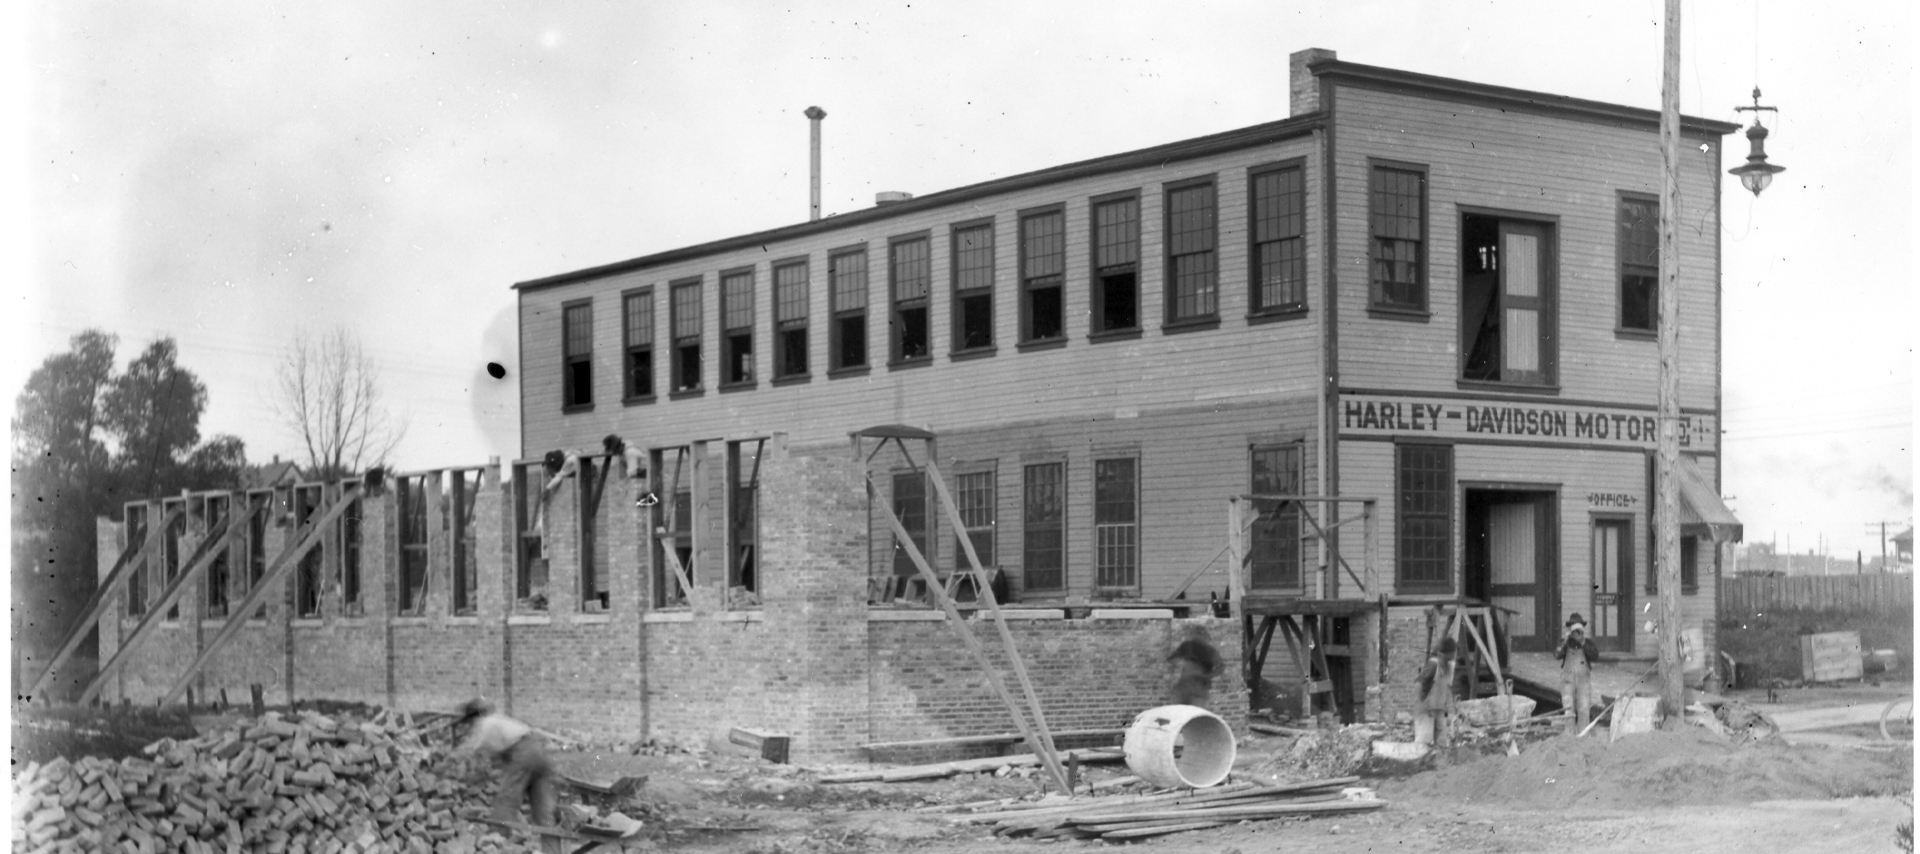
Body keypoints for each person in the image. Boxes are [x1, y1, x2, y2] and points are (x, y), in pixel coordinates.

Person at [454, 698, 556, 827]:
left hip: (524, 753)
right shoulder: (500, 720)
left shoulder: (485, 723)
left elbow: (470, 747)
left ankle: (496, 840)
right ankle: (551, 843)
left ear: (474, 716)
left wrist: (449, 760)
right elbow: (498, 757)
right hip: (539, 752)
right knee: (541, 805)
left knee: (507, 799)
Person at [1556, 613, 1601, 730]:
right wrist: (1565, 641)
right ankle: (1570, 737)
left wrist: (1583, 643)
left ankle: (1583, 736)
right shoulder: (1565, 642)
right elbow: (1557, 654)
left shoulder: (1587, 642)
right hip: (1567, 682)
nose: (1576, 634)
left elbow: (1595, 656)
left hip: (1583, 682)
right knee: (1568, 710)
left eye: (1578, 630)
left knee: (1584, 709)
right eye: (1574, 630)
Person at [1413, 637, 1457, 746]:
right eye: (1452, 652)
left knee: (1442, 743)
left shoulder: (1450, 667)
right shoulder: (1433, 665)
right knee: (1423, 742)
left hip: (1440, 710)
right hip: (1426, 710)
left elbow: (1448, 689)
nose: (1454, 655)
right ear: (1445, 653)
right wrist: (1420, 704)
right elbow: (1419, 683)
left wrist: (1451, 711)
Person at [1166, 633, 1221, 709]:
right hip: (1187, 687)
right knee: (1182, 713)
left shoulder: (1208, 650)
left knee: (1190, 714)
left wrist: (1206, 676)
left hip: (1196, 688)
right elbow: (1172, 659)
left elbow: (1220, 667)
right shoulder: (1188, 646)